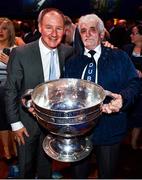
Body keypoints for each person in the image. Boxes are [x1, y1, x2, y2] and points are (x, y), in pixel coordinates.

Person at [64, 14, 140, 178]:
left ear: (101, 34)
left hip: (109, 127)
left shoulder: (119, 57)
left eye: (92, 30)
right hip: (78, 131)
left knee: (107, 174)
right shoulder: (72, 62)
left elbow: (134, 83)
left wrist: (123, 98)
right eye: (83, 31)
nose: (87, 34)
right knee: (78, 175)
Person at [5, 8, 74, 179]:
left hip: (52, 126)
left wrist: (107, 46)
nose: (54, 33)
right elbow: (11, 90)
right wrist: (15, 124)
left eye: (58, 28)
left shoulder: (67, 52)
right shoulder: (21, 53)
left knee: (46, 168)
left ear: (64, 30)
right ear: (40, 27)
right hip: (26, 125)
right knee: (26, 169)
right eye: (49, 27)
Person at [123, 24, 142, 149]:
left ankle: (134, 143)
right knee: (125, 115)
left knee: (139, 117)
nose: (131, 35)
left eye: (134, 33)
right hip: (128, 89)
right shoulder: (126, 48)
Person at [0, 17, 17, 159]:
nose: (0, 31)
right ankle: (6, 152)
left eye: (4, 28)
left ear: (10, 31)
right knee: (1, 120)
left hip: (11, 88)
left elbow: (22, 72)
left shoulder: (17, 49)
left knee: (12, 119)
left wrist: (10, 62)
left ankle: (17, 151)